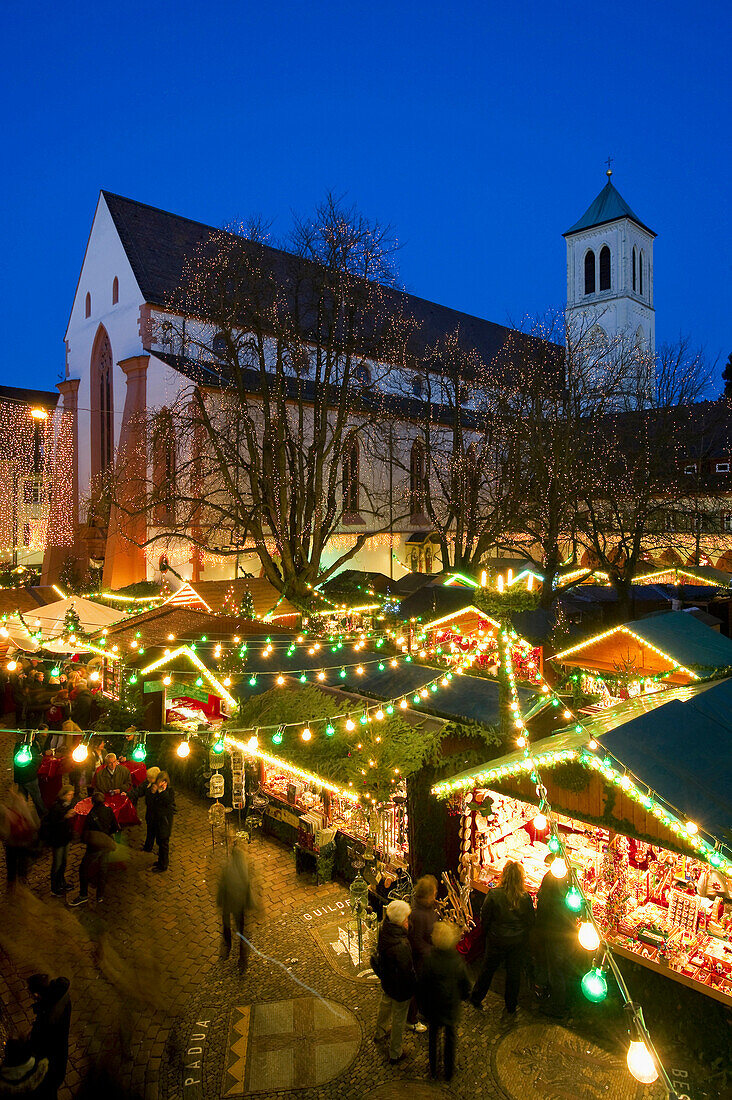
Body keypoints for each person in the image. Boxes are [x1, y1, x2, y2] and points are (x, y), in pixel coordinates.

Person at [470, 860, 535, 1017]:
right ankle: (511, 1005)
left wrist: (489, 933)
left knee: (487, 970)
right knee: (514, 974)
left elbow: (485, 917)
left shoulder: (494, 895)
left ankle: (476, 998)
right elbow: (530, 921)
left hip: (497, 939)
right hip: (517, 942)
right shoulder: (525, 898)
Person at [418, 921, 471, 1081]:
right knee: (450, 1038)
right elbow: (465, 985)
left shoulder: (429, 960)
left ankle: (433, 1069)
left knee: (433, 1038)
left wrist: (423, 1006)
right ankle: (449, 1071)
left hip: (434, 1008)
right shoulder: (457, 962)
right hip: (450, 1007)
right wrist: (462, 997)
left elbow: (422, 985)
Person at [373, 899, 417, 1065]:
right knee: (399, 1019)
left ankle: (380, 1032)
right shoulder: (401, 945)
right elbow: (407, 971)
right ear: (400, 922)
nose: (408, 921)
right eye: (406, 919)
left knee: (384, 1006)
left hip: (388, 981)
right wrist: (413, 986)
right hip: (400, 988)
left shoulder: (385, 929)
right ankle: (395, 1053)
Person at [534, 858, 576, 1017]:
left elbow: (543, 908)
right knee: (564, 968)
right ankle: (565, 1001)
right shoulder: (570, 883)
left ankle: (559, 1007)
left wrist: (539, 929)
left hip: (555, 934)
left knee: (556, 971)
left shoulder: (550, 883)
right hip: (568, 933)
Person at [69, 791, 118, 906]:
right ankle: (100, 895)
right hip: (105, 844)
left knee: (83, 869)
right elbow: (115, 827)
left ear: (92, 802)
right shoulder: (109, 811)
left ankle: (83, 895)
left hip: (94, 847)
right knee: (103, 869)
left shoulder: (91, 815)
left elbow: (86, 832)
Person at [217, 845, 260, 971]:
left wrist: (220, 901)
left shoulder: (227, 868)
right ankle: (242, 958)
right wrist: (250, 903)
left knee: (227, 926)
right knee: (241, 930)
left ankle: (227, 946)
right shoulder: (244, 871)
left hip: (227, 904)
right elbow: (247, 888)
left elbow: (222, 887)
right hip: (239, 906)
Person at [28, 973, 71, 1098]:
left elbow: (39, 1043)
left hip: (51, 1068)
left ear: (37, 994)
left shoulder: (49, 1018)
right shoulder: (61, 996)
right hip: (58, 1061)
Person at [406, 874, 438, 1032]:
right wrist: (432, 951)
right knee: (417, 988)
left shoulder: (426, 908)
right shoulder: (418, 915)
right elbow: (416, 941)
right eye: (433, 894)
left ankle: (425, 1011)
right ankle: (411, 1019)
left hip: (426, 958)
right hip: (420, 960)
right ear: (426, 896)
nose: (435, 896)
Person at [0, 787, 39, 887]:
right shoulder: (6, 813)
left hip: (21, 843)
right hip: (14, 844)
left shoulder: (22, 811)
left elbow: (32, 824)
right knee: (14, 865)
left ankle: (18, 882)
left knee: (19, 865)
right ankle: (15, 883)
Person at [41, 788, 76, 896]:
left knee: (64, 862)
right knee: (57, 863)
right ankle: (54, 887)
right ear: (64, 795)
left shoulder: (68, 805)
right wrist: (65, 816)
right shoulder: (56, 807)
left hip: (65, 838)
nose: (71, 796)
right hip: (57, 840)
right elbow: (54, 823)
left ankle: (62, 882)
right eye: (70, 794)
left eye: (72, 794)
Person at [13, 733, 46, 818]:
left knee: (22, 799)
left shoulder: (18, 746)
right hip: (30, 778)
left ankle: (22, 816)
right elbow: (37, 760)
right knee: (36, 798)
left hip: (20, 778)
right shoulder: (32, 748)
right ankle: (43, 815)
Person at [149, 772, 175, 872]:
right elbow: (151, 802)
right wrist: (153, 793)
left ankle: (163, 865)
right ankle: (160, 861)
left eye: (161, 782)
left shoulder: (169, 791)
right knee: (159, 841)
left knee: (164, 843)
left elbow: (168, 802)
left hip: (165, 821)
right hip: (157, 819)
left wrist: (162, 792)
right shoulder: (155, 789)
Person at [131, 766, 160, 852]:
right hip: (150, 813)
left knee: (157, 833)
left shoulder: (160, 788)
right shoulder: (148, 783)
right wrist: (127, 794)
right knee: (150, 831)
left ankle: (159, 851)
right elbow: (139, 791)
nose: (147, 779)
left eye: (149, 777)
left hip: (157, 815)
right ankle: (148, 847)